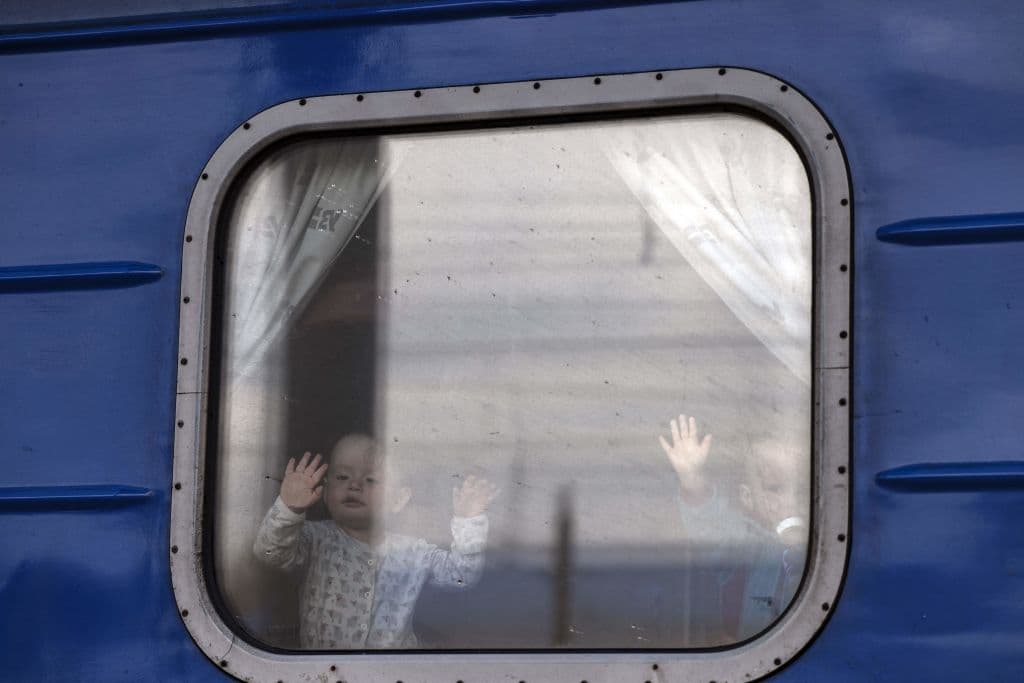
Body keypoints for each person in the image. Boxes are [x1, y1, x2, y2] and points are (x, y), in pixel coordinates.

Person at [253, 434, 499, 649]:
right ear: (325, 492)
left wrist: (469, 519)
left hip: (394, 671)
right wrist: (289, 508)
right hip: (325, 671)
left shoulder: (412, 550)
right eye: (342, 476)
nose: (354, 485)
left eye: (371, 479)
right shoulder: (314, 538)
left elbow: (461, 574)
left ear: (399, 499)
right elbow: (269, 553)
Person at [658, 414, 808, 643]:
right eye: (774, 488)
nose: (792, 501)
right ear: (747, 497)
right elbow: (712, 529)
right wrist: (692, 479)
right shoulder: (747, 541)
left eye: (802, 489)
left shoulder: (824, 540)